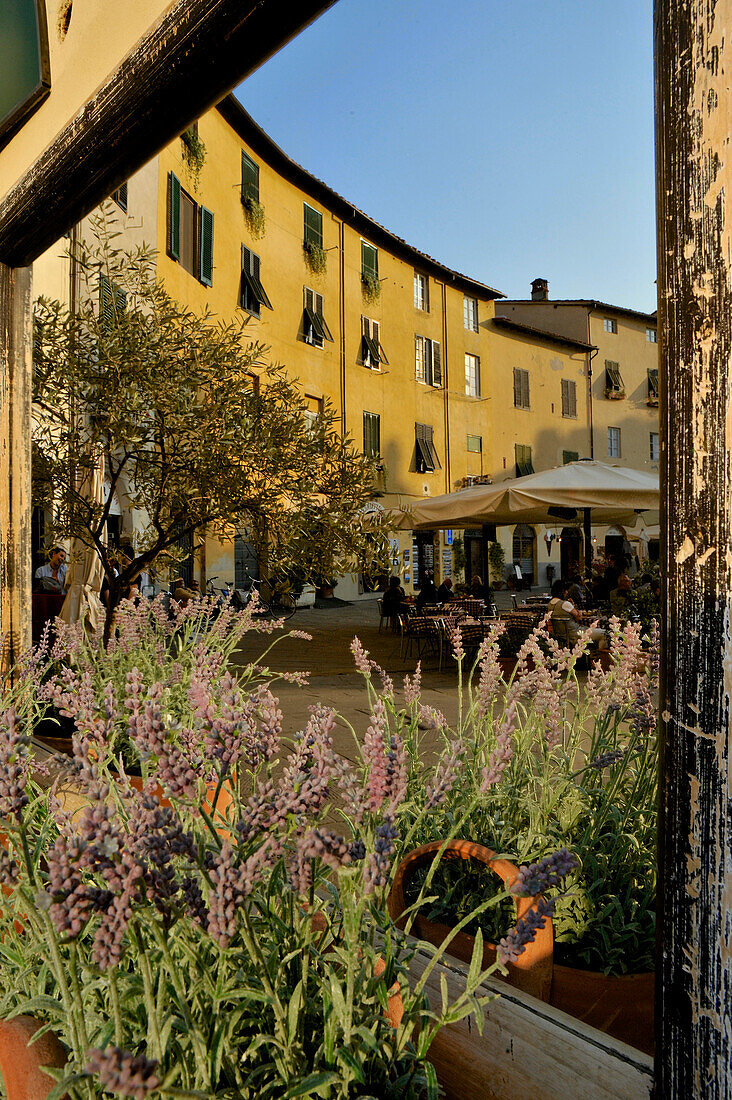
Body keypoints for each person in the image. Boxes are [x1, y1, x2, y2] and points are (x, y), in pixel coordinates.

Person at [549, 579, 606, 648]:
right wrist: (574, 607)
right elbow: (579, 617)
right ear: (562, 591)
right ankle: (602, 656)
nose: (567, 592)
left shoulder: (550, 604)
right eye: (565, 590)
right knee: (604, 634)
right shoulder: (565, 604)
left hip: (560, 636)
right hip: (575, 634)